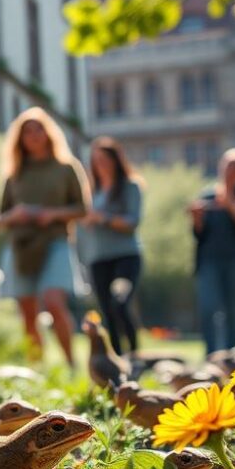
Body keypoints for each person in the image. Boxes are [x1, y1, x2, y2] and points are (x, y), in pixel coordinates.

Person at [0, 107, 89, 368]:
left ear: (48, 133)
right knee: (27, 312)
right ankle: (37, 368)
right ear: (20, 138)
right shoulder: (15, 174)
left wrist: (51, 214)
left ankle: (71, 364)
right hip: (21, 247)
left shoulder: (66, 168)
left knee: (54, 301)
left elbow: (82, 209)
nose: (34, 136)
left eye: (38, 130)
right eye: (27, 132)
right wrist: (16, 215)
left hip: (55, 242)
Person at [191, 148, 235, 354]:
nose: (230, 171)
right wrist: (196, 218)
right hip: (208, 261)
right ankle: (212, 355)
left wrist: (230, 203)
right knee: (208, 308)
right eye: (228, 165)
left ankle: (234, 355)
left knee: (234, 310)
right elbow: (199, 234)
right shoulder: (207, 194)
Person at [82, 136, 144, 356]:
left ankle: (135, 353)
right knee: (107, 311)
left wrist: (104, 218)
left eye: (105, 159)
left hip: (125, 257)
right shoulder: (92, 192)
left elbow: (132, 222)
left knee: (120, 302)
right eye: (97, 160)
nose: (101, 165)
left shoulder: (130, 186)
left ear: (116, 160)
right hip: (98, 258)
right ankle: (116, 359)